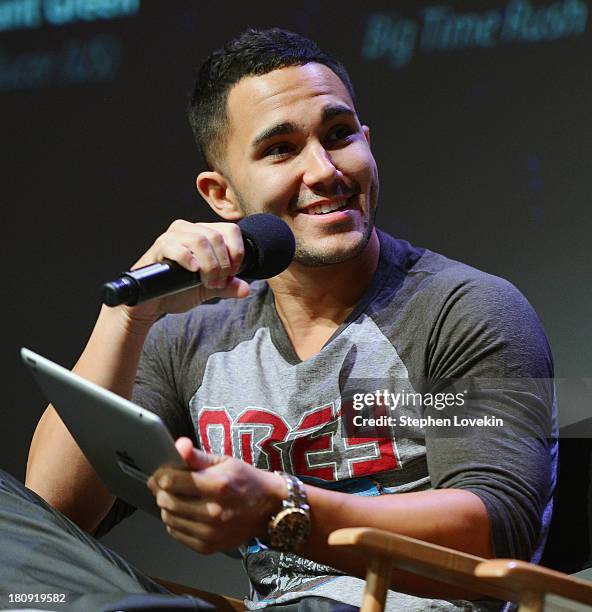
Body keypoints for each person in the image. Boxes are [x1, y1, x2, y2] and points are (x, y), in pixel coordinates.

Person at [3, 28, 556, 612]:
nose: (323, 171)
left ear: (368, 144)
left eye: (339, 135)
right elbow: (52, 518)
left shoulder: (465, 309)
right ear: (221, 196)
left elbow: (497, 536)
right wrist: (128, 316)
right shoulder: (193, 337)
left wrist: (279, 506)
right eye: (281, 150)